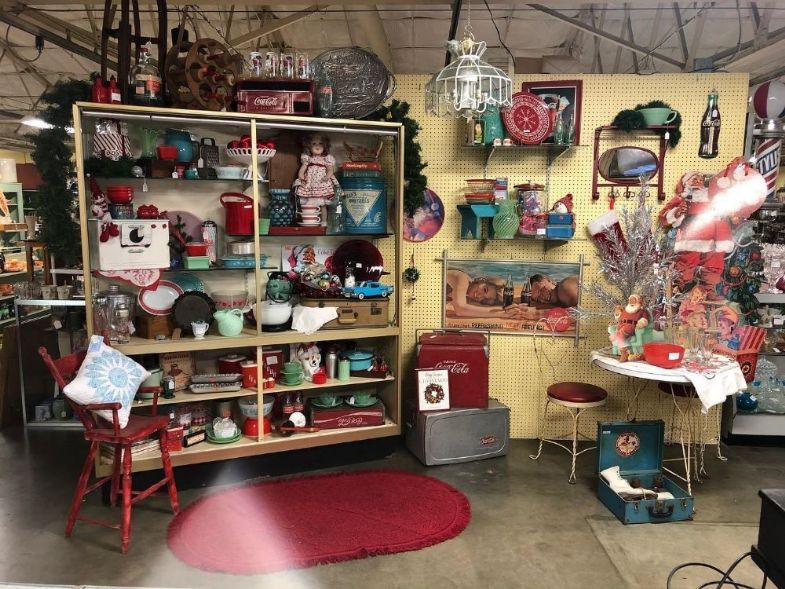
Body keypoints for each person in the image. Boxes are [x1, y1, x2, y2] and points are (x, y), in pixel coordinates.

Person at [446, 269, 527, 318]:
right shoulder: (462, 278)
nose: (480, 296)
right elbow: (460, 310)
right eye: (485, 290)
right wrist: (502, 314)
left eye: (484, 300)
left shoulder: (467, 296)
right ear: (482, 280)